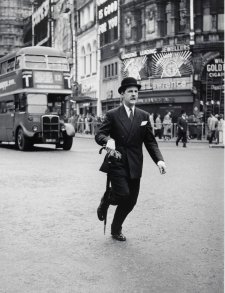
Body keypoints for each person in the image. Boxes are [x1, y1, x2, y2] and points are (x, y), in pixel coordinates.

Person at [95, 77, 166, 241]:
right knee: (123, 195)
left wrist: (159, 160)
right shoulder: (112, 115)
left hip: (135, 164)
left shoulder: (144, 115)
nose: (134, 94)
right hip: (117, 161)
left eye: (136, 91)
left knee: (131, 201)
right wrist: (108, 141)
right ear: (122, 94)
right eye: (130, 91)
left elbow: (150, 142)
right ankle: (107, 199)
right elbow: (99, 134)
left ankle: (115, 229)